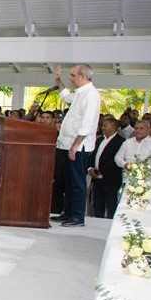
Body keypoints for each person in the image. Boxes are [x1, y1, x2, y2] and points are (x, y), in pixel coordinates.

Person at [53, 65, 101, 227]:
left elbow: (86, 124)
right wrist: (58, 80)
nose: (71, 79)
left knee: (77, 183)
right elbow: (66, 97)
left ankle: (78, 217)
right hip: (67, 144)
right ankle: (67, 213)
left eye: (72, 75)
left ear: (82, 76)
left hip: (79, 147)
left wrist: (75, 146)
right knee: (68, 181)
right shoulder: (80, 93)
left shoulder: (91, 95)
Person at [89, 117, 124, 219]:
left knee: (111, 205)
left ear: (114, 127)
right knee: (97, 205)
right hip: (96, 178)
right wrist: (90, 168)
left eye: (105, 125)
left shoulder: (120, 141)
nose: (102, 127)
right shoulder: (99, 139)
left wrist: (102, 173)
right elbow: (93, 156)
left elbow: (116, 160)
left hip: (111, 180)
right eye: (102, 125)